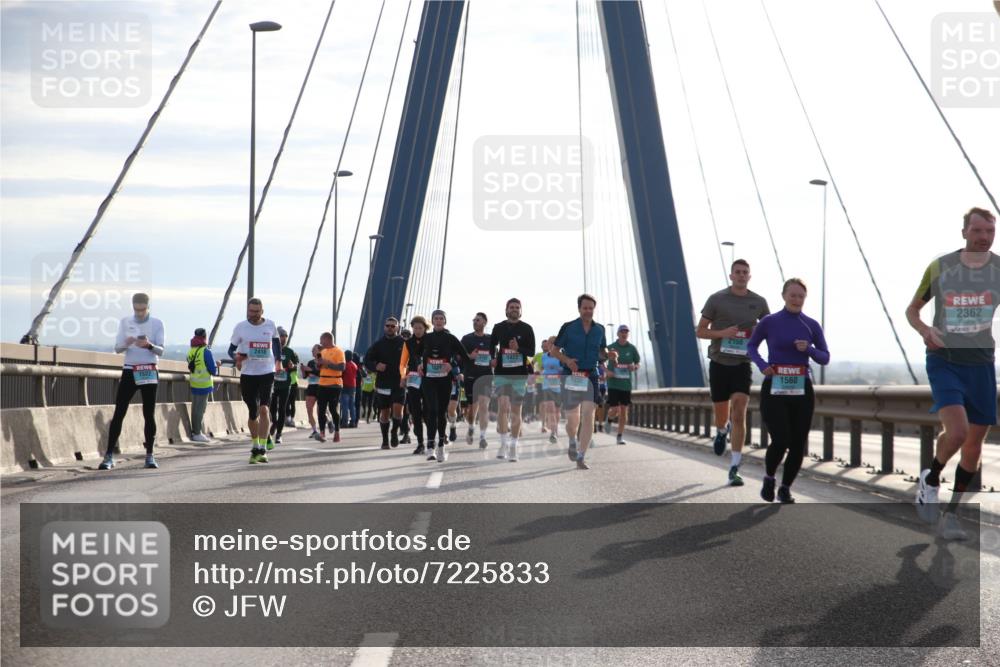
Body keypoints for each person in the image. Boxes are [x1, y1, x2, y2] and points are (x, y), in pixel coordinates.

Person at [908, 206, 998, 540]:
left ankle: (951, 515)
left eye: (990, 232)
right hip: (944, 360)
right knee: (958, 433)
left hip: (982, 365)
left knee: (974, 445)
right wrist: (924, 330)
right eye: (977, 231)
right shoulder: (941, 267)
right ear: (964, 233)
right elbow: (912, 309)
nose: (984, 237)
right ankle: (930, 480)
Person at [747, 278, 830, 503]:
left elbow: (825, 357)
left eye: (800, 296)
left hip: (801, 388)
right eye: (792, 295)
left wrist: (810, 349)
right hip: (775, 386)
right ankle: (769, 477)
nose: (796, 299)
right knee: (781, 438)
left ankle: (785, 488)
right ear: (784, 296)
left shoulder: (810, 325)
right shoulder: (769, 321)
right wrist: (763, 366)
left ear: (805, 298)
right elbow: (751, 345)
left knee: (797, 442)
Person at [696, 259, 770, 486]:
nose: (741, 275)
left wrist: (759, 331)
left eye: (745, 272)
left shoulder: (758, 302)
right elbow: (700, 331)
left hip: (742, 365)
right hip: (719, 363)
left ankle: (734, 467)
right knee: (722, 415)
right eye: (737, 272)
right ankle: (721, 431)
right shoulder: (717, 299)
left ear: (749, 276)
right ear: (731, 276)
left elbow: (769, 329)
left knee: (739, 412)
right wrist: (723, 333)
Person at [99, 292, 165, 470]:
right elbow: (117, 348)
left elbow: (161, 351)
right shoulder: (125, 322)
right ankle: (108, 456)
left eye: (142, 310)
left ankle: (150, 455)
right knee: (119, 411)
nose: (139, 313)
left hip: (149, 370)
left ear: (148, 307)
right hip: (130, 370)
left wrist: (149, 345)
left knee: (148, 413)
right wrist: (127, 343)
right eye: (136, 310)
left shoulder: (157, 323)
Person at [547, 294, 608, 470]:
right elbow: (555, 351)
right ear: (579, 308)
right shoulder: (568, 328)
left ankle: (581, 456)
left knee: (588, 414)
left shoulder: (600, 330)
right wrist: (567, 361)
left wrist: (610, 355)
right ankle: (573, 440)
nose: (588, 311)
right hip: (572, 375)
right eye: (585, 308)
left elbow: (602, 352)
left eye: (591, 308)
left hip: (591, 375)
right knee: (573, 418)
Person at [228, 298, 281, 464]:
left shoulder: (270, 325)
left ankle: (262, 449)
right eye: (251, 311)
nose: (254, 314)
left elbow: (277, 345)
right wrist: (237, 358)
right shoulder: (240, 327)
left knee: (264, 409)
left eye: (257, 312)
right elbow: (231, 350)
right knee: (253, 412)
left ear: (262, 311)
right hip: (248, 373)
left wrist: (278, 362)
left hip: (267, 372)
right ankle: (255, 443)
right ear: (247, 310)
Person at [490, 298, 536, 462]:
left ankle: (513, 446)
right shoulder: (498, 327)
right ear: (506, 309)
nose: (515, 309)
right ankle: (503, 443)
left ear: (521, 310)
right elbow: (492, 344)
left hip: (519, 375)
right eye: (512, 307)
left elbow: (531, 352)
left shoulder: (527, 328)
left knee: (516, 410)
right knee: (503, 407)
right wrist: (492, 358)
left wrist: (518, 349)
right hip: (502, 373)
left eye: (517, 307)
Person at [420, 310, 469, 462]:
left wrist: (452, 364)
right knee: (431, 410)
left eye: (441, 318)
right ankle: (430, 447)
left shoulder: (450, 338)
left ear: (445, 321)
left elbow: (465, 357)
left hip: (445, 380)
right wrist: (418, 365)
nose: (439, 321)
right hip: (429, 380)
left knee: (441, 413)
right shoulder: (426, 338)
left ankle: (441, 446)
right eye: (436, 318)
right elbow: (414, 354)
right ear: (432, 321)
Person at [365, 316, 406, 449]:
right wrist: (376, 366)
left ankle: (394, 432)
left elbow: (413, 360)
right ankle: (385, 440)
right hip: (383, 383)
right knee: (384, 413)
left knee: (398, 412)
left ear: (398, 328)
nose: (390, 328)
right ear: (384, 327)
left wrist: (407, 375)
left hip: (399, 383)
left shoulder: (404, 343)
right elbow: (367, 360)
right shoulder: (378, 344)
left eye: (393, 326)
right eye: (387, 326)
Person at [461, 312, 493, 448]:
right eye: (474, 320)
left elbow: (495, 357)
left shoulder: (491, 339)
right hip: (470, 376)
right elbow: (459, 357)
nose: (475, 322)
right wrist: (469, 356)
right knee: (471, 409)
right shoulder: (467, 339)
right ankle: (471, 426)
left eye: (478, 320)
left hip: (486, 376)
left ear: (485, 322)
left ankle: (483, 437)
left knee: (484, 406)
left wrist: (494, 362)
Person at [605, 324, 640, 446]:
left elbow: (637, 363)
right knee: (614, 409)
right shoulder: (611, 347)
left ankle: (619, 436)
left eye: (626, 332)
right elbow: (599, 361)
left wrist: (634, 367)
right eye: (622, 332)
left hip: (626, 385)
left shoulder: (632, 348)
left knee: (624, 411)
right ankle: (609, 419)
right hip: (613, 383)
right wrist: (606, 371)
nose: (624, 334)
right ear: (618, 334)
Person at [401, 316, 429, 454]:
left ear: (425, 328)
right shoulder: (408, 343)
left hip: (429, 378)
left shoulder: (431, 339)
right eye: (415, 328)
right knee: (414, 411)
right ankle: (420, 443)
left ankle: (430, 440)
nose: (417, 330)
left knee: (429, 411)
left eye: (420, 328)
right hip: (413, 378)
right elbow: (402, 363)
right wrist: (402, 376)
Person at [268, 326, 298, 447]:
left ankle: (279, 434)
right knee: (272, 410)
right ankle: (274, 424)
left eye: (285, 337)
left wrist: (292, 366)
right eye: (281, 336)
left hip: (286, 385)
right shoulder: (271, 350)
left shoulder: (290, 352)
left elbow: (296, 366)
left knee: (282, 410)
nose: (283, 339)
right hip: (273, 385)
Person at [186, 326, 217, 444]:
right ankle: (197, 433)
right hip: (204, 384)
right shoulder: (206, 351)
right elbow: (213, 370)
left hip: (194, 383)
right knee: (200, 409)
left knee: (195, 409)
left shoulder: (191, 351)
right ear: (204, 337)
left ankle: (197, 432)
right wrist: (217, 365)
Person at [316, 332, 346, 443]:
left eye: (322, 340)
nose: (320, 342)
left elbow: (342, 367)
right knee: (321, 410)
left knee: (333, 409)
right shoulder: (322, 351)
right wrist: (318, 364)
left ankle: (337, 433)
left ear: (328, 339)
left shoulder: (338, 351)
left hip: (334, 384)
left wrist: (328, 363)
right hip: (322, 383)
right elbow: (319, 367)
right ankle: (322, 433)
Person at [538, 339, 563, 444]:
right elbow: (541, 368)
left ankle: (555, 429)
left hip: (558, 386)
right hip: (547, 385)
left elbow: (564, 370)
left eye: (553, 344)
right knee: (550, 408)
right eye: (550, 344)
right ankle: (553, 432)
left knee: (557, 411)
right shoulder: (544, 356)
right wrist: (541, 373)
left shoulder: (561, 356)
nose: (551, 346)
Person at [301, 344, 323, 440]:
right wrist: (303, 370)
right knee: (309, 409)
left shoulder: (323, 361)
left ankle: (326, 425)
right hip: (311, 387)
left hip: (321, 387)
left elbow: (321, 373)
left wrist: (310, 370)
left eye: (314, 350)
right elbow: (305, 376)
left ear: (319, 351)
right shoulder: (310, 362)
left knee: (320, 411)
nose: (312, 351)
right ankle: (314, 430)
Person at [341, 349, 358, 429]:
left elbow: (341, 374)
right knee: (352, 405)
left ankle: (344, 422)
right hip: (353, 386)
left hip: (345, 386)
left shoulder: (345, 365)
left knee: (345, 405)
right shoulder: (354, 365)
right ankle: (353, 422)